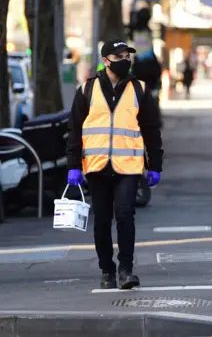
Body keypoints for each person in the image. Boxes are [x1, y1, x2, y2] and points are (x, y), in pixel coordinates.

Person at [66, 39, 164, 290]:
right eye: (119, 56)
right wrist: (73, 165)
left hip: (128, 166)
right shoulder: (87, 90)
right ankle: (106, 269)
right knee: (101, 220)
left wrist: (155, 165)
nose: (125, 60)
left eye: (127, 56)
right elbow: (75, 130)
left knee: (125, 216)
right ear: (106, 60)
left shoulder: (139, 89)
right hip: (97, 166)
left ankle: (125, 270)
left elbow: (151, 130)